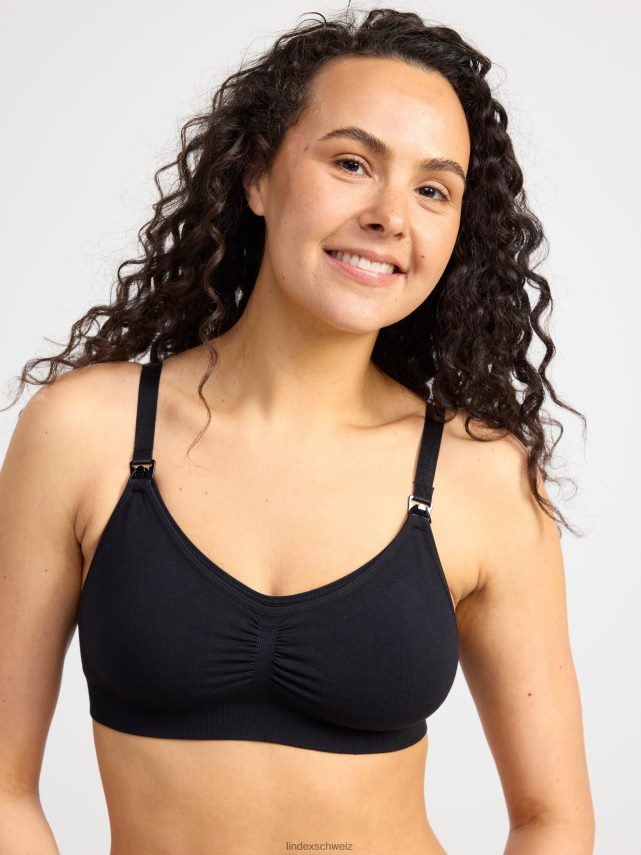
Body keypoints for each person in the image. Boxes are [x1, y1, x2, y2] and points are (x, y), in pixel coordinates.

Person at [0, 7, 595, 854]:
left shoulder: (482, 476)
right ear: (256, 177)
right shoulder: (86, 432)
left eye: (432, 189)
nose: (390, 215)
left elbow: (551, 818)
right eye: (351, 163)